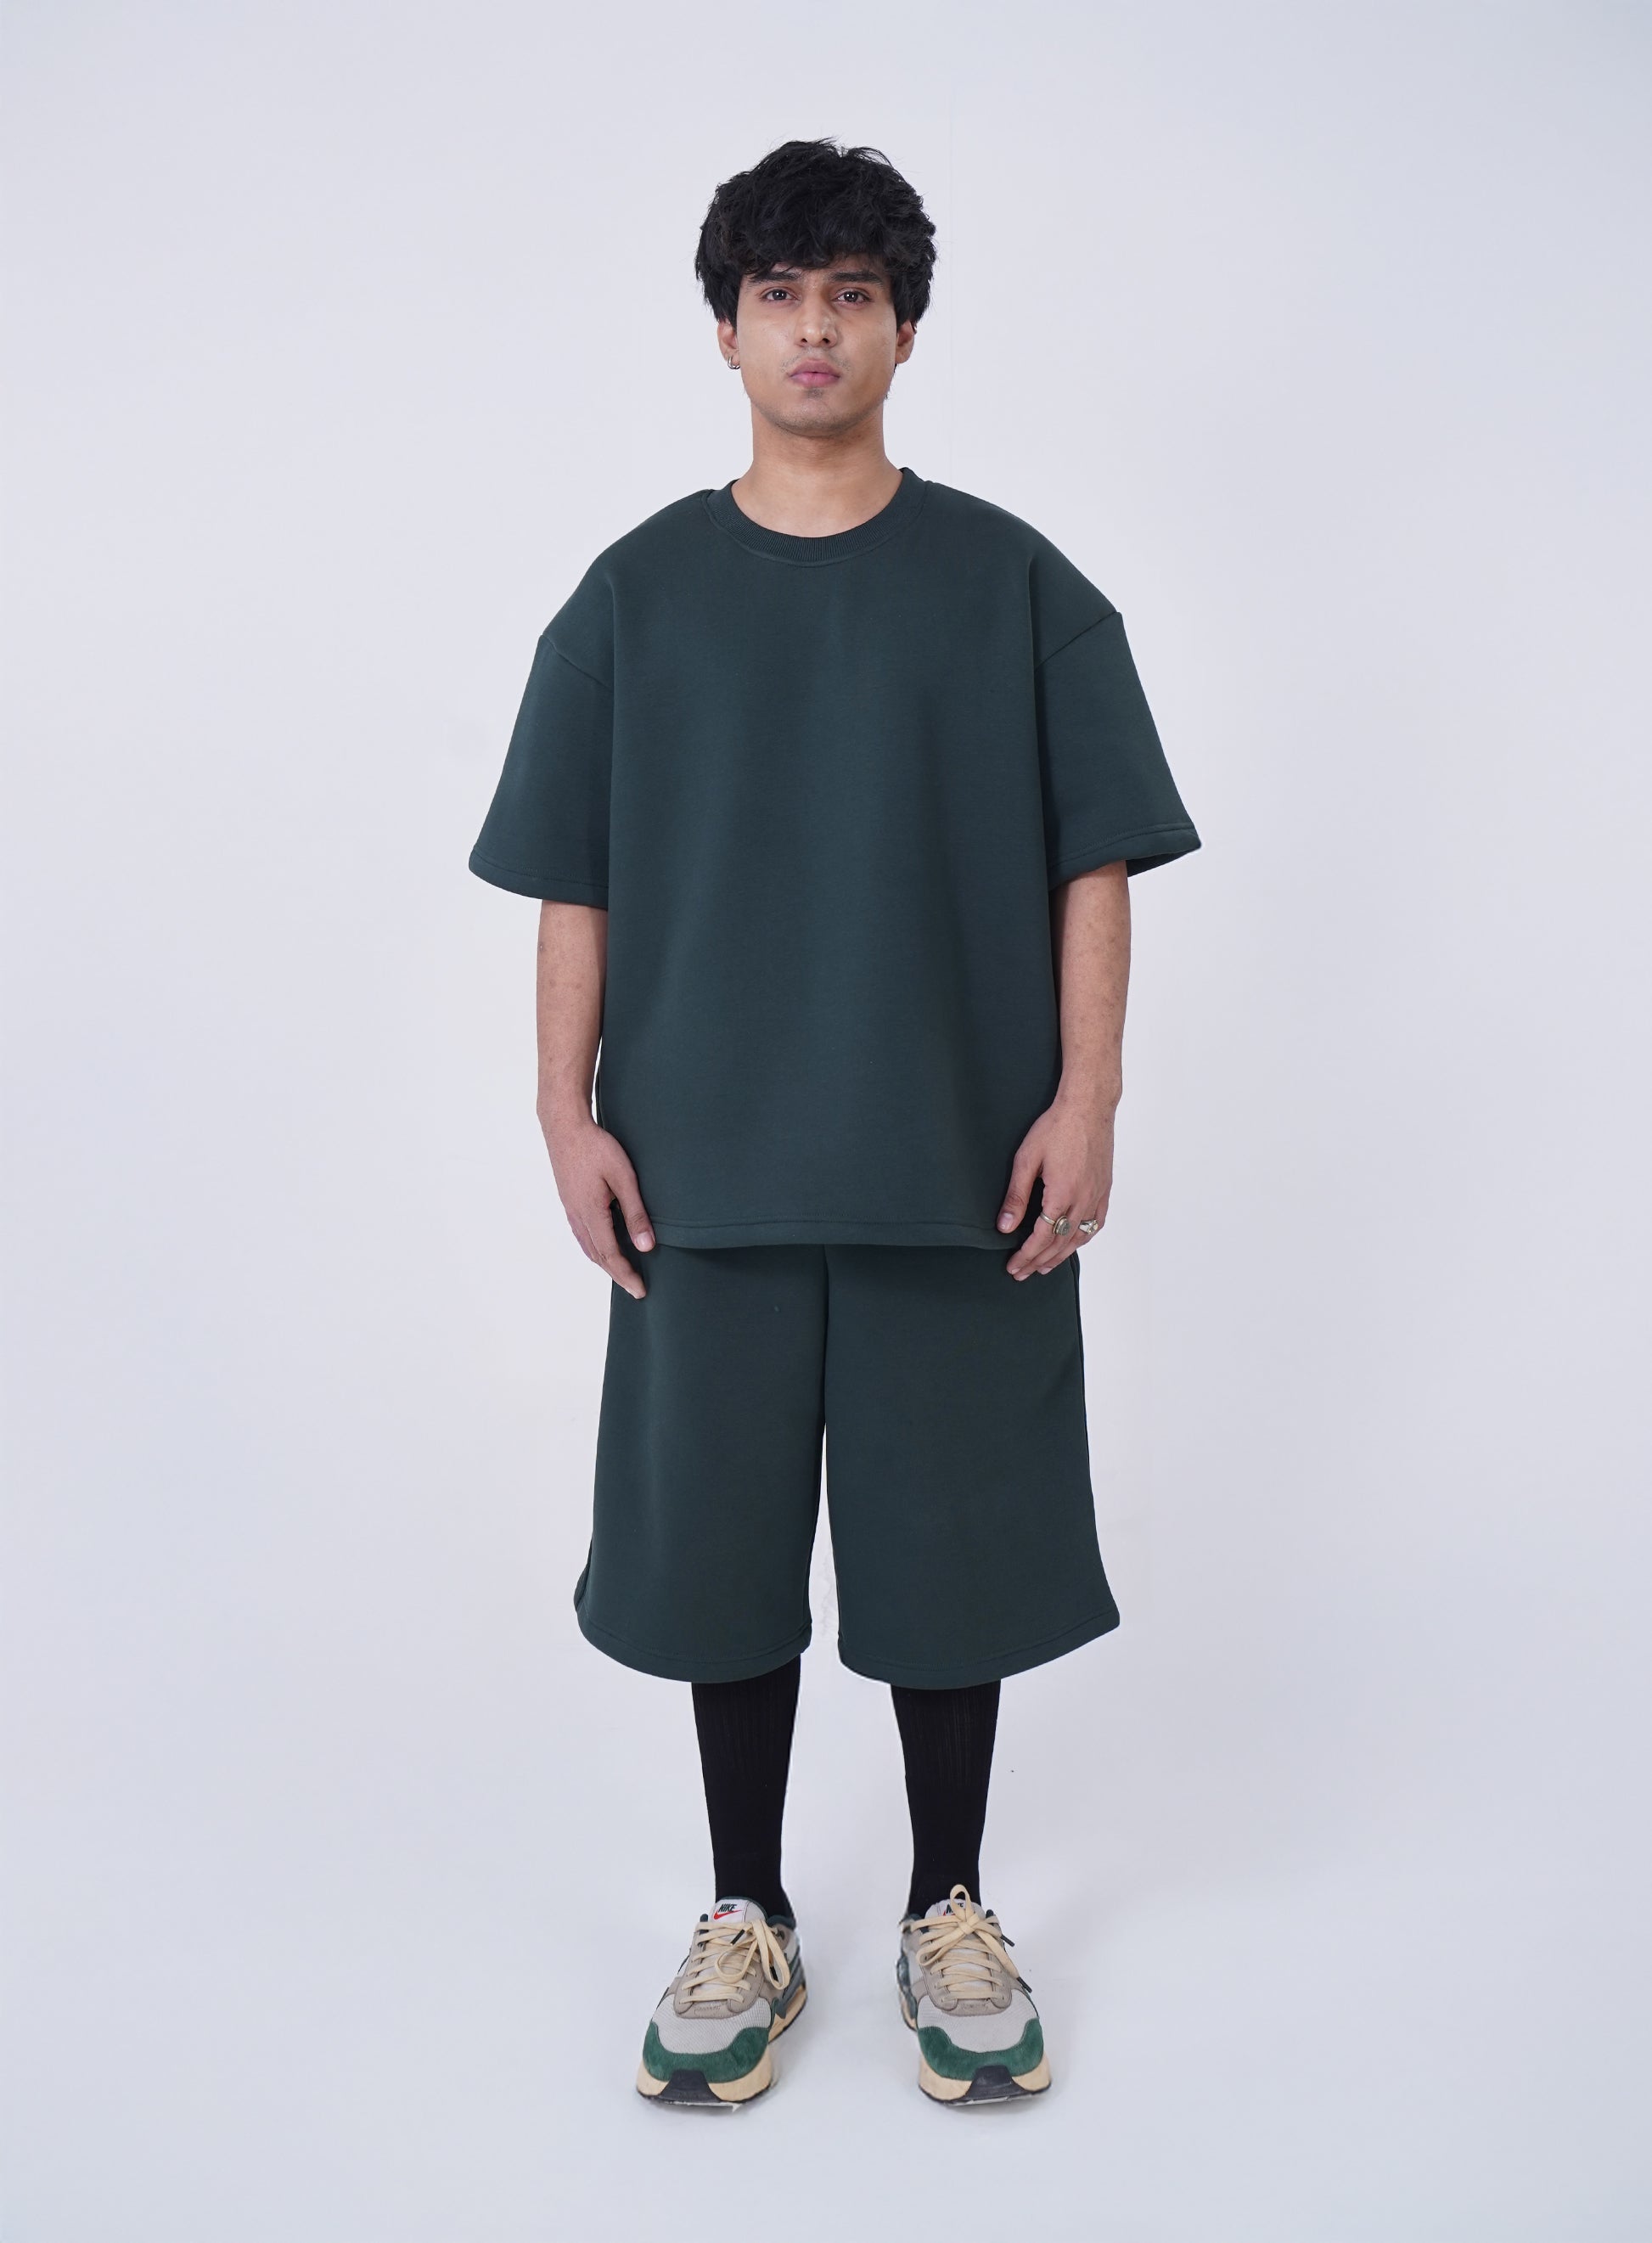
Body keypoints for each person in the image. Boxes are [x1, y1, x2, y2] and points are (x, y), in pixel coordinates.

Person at [468, 136, 1200, 2109]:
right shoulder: (632, 598)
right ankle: (746, 1912)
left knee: (952, 1551)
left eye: (853, 294)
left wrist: (1089, 1094)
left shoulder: (1017, 588)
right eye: (781, 295)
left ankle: (948, 1904)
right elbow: (571, 880)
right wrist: (559, 1111)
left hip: (954, 1161)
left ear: (904, 330)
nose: (816, 328)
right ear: (724, 332)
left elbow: (1094, 859)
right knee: (714, 1559)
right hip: (696, 1171)